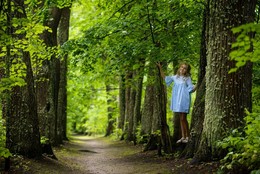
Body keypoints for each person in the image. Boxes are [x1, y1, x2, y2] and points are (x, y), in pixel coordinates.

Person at [158, 62, 196, 143]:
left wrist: (197, 86)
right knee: (181, 119)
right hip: (177, 100)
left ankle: (188, 137)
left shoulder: (187, 78)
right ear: (179, 68)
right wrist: (160, 68)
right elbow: (165, 78)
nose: (183, 69)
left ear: (187, 71)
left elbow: (191, 88)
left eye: (185, 68)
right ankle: (183, 137)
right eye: (182, 67)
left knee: (183, 118)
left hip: (184, 99)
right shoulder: (175, 77)